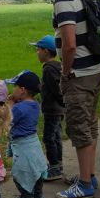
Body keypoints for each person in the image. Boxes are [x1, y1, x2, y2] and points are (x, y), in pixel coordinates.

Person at [40, 0, 100, 198]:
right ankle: (89, 174)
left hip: (80, 74)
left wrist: (66, 74)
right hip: (97, 67)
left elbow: (69, 45)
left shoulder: (64, 2)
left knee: (79, 128)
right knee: (89, 123)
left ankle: (85, 184)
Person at [5, 70, 48, 198]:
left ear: (22, 90)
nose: (12, 91)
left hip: (23, 148)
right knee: (36, 172)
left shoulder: (18, 108)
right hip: (34, 146)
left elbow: (7, 119)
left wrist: (9, 103)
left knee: (21, 175)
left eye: (15, 87)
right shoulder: (35, 104)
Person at [30, 35, 66, 181]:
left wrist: (62, 102)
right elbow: (51, 87)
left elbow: (56, 90)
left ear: (46, 51)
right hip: (59, 109)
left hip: (53, 109)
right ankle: (58, 164)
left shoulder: (48, 69)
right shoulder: (57, 66)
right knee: (56, 136)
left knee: (48, 137)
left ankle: (54, 168)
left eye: (38, 49)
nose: (37, 52)